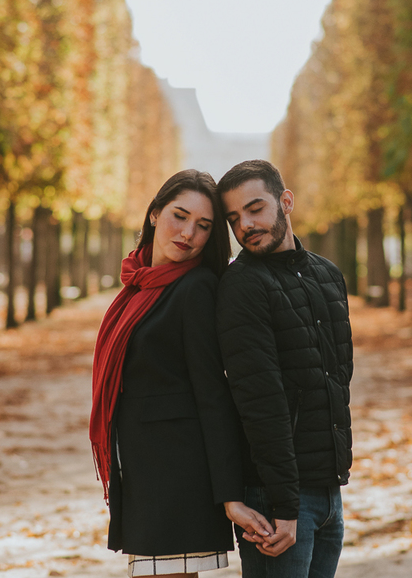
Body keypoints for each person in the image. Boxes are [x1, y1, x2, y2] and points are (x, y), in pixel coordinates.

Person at [90, 169, 273, 578]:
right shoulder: (138, 287)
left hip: (178, 481)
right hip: (145, 476)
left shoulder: (195, 289)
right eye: (180, 215)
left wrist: (229, 495)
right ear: (155, 214)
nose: (188, 232)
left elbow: (213, 394)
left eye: (203, 225)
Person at [215, 159, 354, 578]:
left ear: (285, 201)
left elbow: (336, 381)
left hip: (329, 493)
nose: (245, 226)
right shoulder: (242, 286)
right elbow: (261, 403)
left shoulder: (328, 275)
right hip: (276, 500)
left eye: (255, 209)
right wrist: (285, 506)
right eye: (234, 218)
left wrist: (330, 487)